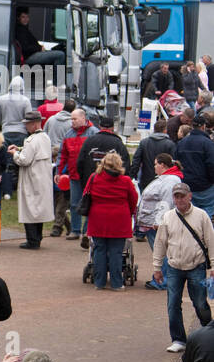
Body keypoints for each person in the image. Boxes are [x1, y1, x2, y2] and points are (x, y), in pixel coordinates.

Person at [153, 183, 214, 352]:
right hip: (174, 267)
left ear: (190, 196)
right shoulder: (168, 217)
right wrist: (157, 267)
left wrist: (213, 266)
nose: (179, 199)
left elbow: (211, 241)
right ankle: (179, 339)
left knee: (200, 303)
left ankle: (208, 334)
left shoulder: (201, 216)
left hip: (196, 265)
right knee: (172, 304)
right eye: (176, 196)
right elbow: (160, 243)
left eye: (182, 196)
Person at [83, 150, 138, 290]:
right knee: (116, 252)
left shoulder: (94, 178)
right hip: (119, 219)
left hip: (98, 218)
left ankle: (99, 282)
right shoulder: (125, 181)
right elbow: (133, 199)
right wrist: (130, 212)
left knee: (99, 250)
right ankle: (116, 283)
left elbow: (86, 194)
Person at [139, 153, 184, 291]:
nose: (154, 167)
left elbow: (166, 202)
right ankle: (163, 279)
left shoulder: (170, 180)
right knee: (161, 252)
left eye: (155, 164)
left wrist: (159, 222)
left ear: (162, 165)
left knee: (161, 252)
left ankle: (162, 281)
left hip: (157, 223)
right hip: (153, 220)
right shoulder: (168, 179)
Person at [9, 109, 53, 248]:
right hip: (42, 179)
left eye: (27, 124)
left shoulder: (31, 140)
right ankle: (37, 238)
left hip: (31, 179)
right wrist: (21, 148)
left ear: (34, 124)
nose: (25, 127)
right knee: (38, 211)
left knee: (29, 209)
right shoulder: (45, 137)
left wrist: (15, 153)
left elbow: (24, 160)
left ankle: (32, 240)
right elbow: (35, 151)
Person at [57, 108, 95, 241]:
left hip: (90, 176)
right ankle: (75, 229)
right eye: (71, 119)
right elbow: (62, 155)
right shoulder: (69, 134)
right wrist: (59, 172)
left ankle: (87, 231)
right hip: (73, 175)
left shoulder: (93, 133)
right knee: (74, 203)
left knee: (90, 203)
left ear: (83, 118)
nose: (72, 122)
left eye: (74, 119)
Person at [0, 76, 32, 196]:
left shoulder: (1, 99)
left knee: (7, 162)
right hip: (21, 133)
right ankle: (21, 189)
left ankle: (7, 191)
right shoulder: (25, 100)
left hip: (6, 132)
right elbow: (28, 118)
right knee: (21, 160)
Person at [46, 99, 77, 236]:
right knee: (62, 194)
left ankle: (59, 225)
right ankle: (63, 225)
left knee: (56, 194)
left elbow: (45, 136)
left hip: (50, 158)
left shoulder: (51, 120)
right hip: (65, 159)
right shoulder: (72, 123)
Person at [176, 111, 214, 218]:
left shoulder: (182, 143)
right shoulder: (208, 144)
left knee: (190, 214)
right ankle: (204, 233)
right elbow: (212, 164)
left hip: (187, 184)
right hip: (205, 186)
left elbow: (176, 163)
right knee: (207, 214)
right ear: (203, 127)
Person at [132, 116, 177, 192]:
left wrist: (133, 176)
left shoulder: (144, 142)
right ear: (165, 130)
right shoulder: (170, 144)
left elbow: (136, 161)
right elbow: (173, 163)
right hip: (164, 180)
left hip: (146, 179)